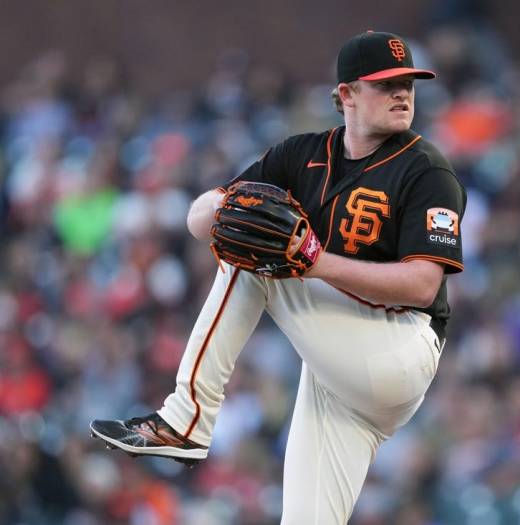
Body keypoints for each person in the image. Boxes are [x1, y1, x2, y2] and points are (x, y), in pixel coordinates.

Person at [90, 30, 465, 524]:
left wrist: (312, 258)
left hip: (399, 349)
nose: (402, 93)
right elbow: (200, 219)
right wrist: (224, 209)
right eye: (386, 83)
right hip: (339, 373)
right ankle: (187, 423)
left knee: (258, 252)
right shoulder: (299, 154)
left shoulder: (426, 170)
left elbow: (422, 283)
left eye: (408, 84)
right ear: (346, 95)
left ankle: (187, 420)